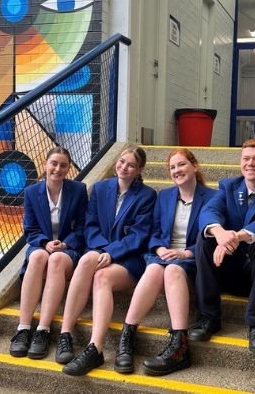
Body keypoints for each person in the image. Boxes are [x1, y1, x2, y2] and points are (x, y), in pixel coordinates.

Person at [114, 149, 217, 376]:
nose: (176, 171)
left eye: (181, 165)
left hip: (193, 262)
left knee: (170, 270)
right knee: (152, 270)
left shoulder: (212, 197)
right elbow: (155, 232)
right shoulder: (165, 196)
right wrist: (160, 248)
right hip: (164, 257)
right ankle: (128, 336)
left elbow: (212, 238)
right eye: (172, 167)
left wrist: (186, 254)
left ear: (194, 166)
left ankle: (180, 345)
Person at [190, 138, 255, 353]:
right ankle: (209, 317)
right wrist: (219, 233)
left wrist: (236, 237)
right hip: (231, 268)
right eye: (246, 158)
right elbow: (209, 212)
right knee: (206, 237)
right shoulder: (229, 186)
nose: (250, 163)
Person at [59, 145, 157, 376]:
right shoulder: (100, 188)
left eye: (131, 165)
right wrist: (103, 249)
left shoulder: (147, 196)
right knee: (85, 261)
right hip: (99, 248)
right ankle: (65, 333)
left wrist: (112, 252)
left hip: (128, 260)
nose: (124, 167)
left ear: (139, 169)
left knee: (101, 276)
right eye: (122, 161)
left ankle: (95, 348)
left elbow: (139, 236)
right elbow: (89, 225)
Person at [9, 147, 88, 359]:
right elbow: (30, 229)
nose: (57, 168)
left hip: (67, 249)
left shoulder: (78, 190)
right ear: (45, 164)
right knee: (36, 257)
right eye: (54, 163)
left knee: (56, 261)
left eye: (63, 165)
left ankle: (43, 330)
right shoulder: (32, 192)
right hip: (41, 245)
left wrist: (65, 243)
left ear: (68, 168)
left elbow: (83, 227)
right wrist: (44, 243)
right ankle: (24, 328)